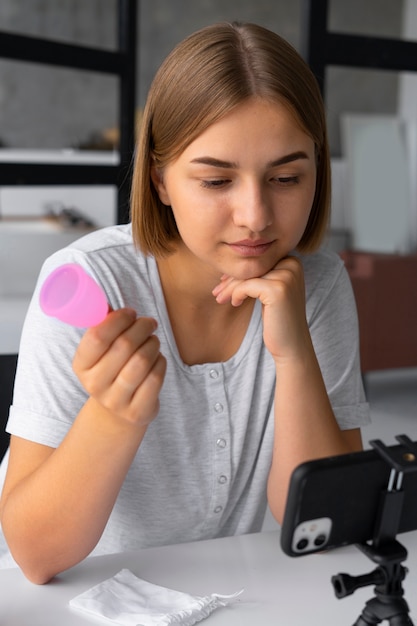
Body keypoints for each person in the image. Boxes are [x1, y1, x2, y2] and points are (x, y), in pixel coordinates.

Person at [0, 21, 369, 584]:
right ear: (160, 181)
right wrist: (113, 415)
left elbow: (321, 525)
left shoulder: (316, 285)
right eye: (217, 182)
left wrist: (294, 357)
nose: (256, 216)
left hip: (233, 598)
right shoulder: (89, 282)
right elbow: (35, 555)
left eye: (287, 176)